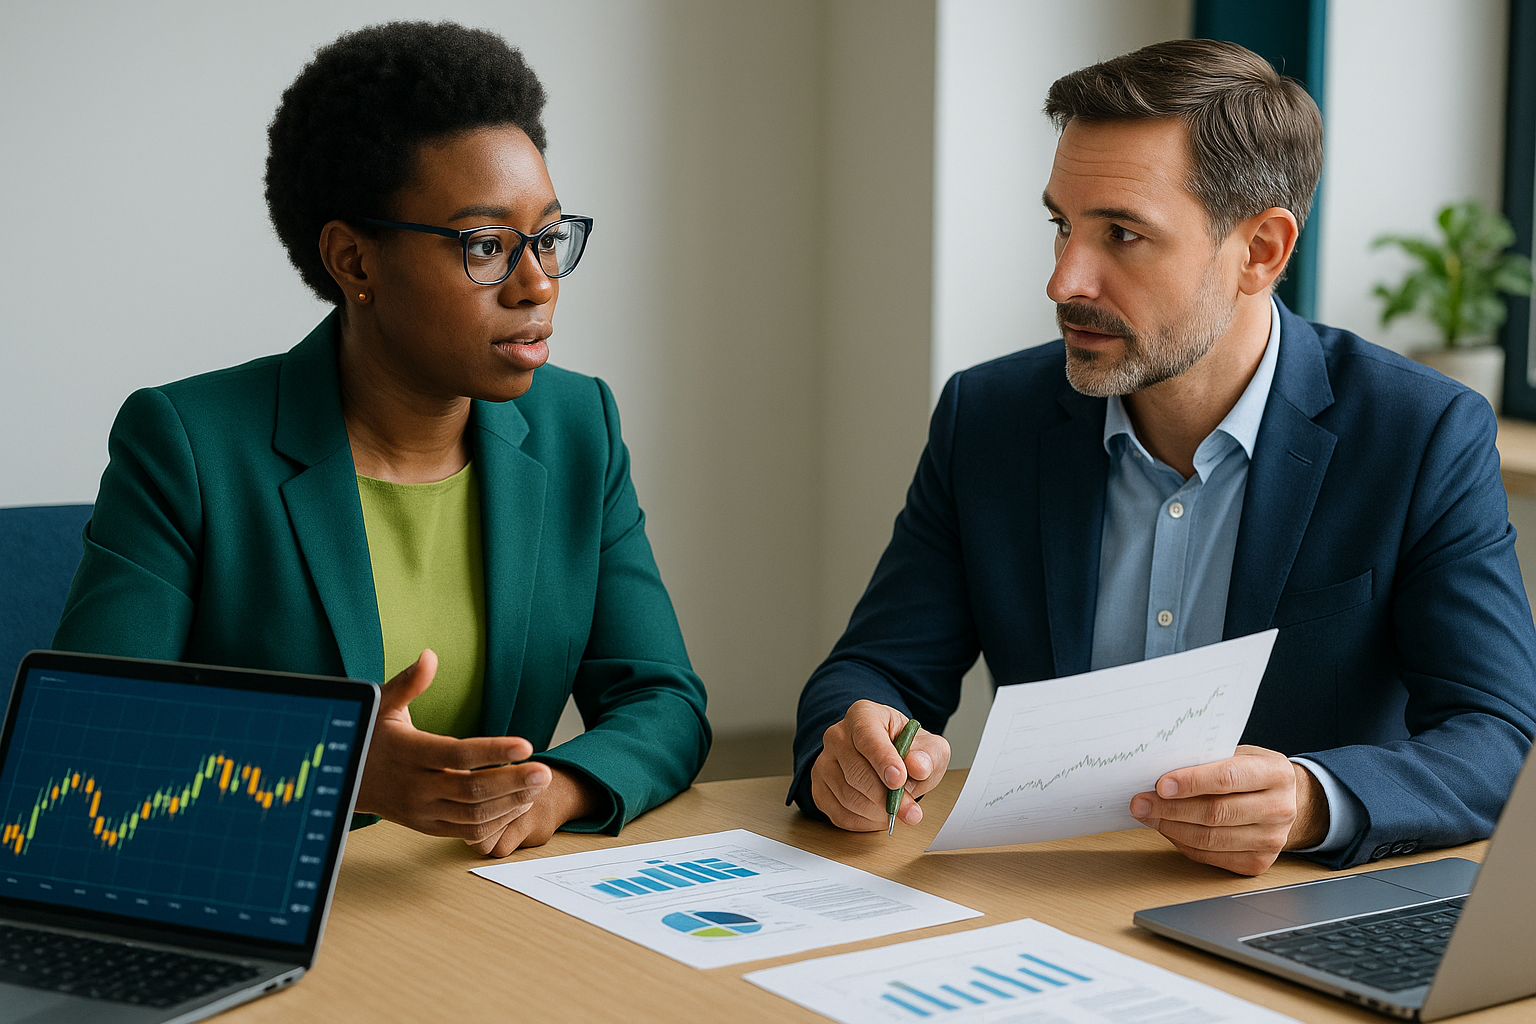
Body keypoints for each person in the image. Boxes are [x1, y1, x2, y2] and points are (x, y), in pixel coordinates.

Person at [791, 39, 1536, 875]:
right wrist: (857, 741)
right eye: (1062, 225)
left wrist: (1311, 799)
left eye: (1122, 234)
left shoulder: (1420, 433)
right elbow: (875, 667)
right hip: (1044, 904)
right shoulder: (989, 417)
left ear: (1262, 251)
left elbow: (1499, 735)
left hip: (1284, 912)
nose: (1065, 278)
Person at [53, 22, 710, 857]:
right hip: (266, 899)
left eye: (547, 237)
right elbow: (85, 740)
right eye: (485, 246)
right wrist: (339, 767)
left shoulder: (579, 427)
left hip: (486, 906)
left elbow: (662, 700)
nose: (537, 282)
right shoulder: (187, 444)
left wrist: (554, 792)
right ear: (354, 263)